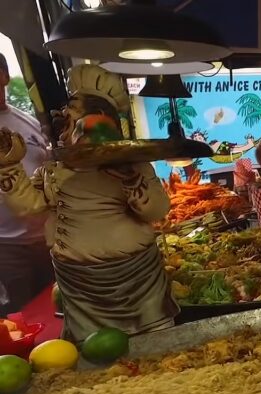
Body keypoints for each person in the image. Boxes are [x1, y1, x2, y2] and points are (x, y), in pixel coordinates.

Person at [0, 64, 177, 341]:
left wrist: (129, 178)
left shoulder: (134, 166)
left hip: (137, 277)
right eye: (66, 122)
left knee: (157, 338)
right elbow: (28, 206)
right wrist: (8, 165)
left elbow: (156, 210)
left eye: (75, 121)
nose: (66, 129)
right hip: (80, 285)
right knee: (93, 348)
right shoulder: (52, 171)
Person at [0, 54, 52, 314]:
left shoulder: (27, 122)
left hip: (47, 237)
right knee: (21, 315)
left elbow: (47, 167)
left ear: (4, 76)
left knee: (57, 306)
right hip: (7, 246)